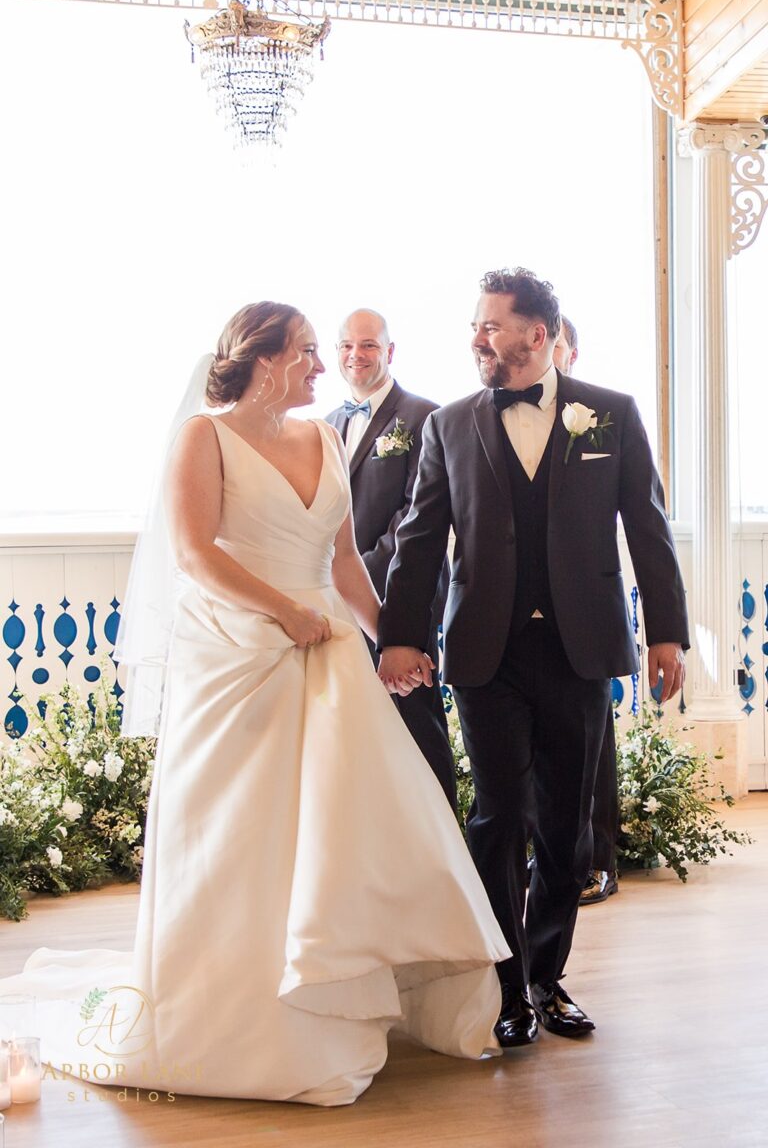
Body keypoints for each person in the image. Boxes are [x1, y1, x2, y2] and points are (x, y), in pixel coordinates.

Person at [0, 302, 510, 1105]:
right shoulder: (204, 436)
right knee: (246, 830)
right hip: (237, 655)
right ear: (266, 359)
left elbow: (344, 563)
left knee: (353, 828)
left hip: (327, 649)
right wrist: (284, 612)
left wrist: (391, 643)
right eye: (308, 352)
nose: (322, 366)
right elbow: (196, 553)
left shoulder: (329, 438)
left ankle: (341, 992)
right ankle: (239, 1011)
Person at [378, 268, 688, 1047]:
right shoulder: (449, 426)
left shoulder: (608, 415)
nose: (478, 338)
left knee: (564, 827)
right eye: (477, 327)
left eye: (490, 324)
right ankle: (507, 988)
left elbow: (647, 528)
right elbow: (419, 540)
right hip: (488, 651)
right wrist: (401, 637)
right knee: (498, 816)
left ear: (538, 334)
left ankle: (549, 978)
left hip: (580, 649)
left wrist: (667, 633)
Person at [326, 308, 456, 808]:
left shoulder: (423, 416)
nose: (355, 355)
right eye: (346, 346)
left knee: (415, 715)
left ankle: (442, 832)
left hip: (403, 594)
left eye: (368, 345)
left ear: (390, 351)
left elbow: (415, 520)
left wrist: (352, 573)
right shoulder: (326, 425)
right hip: (341, 597)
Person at [552, 315, 619, 906]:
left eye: (559, 344)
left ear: (570, 350)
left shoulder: (602, 416)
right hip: (519, 623)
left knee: (594, 754)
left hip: (588, 617)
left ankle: (599, 860)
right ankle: (548, 856)